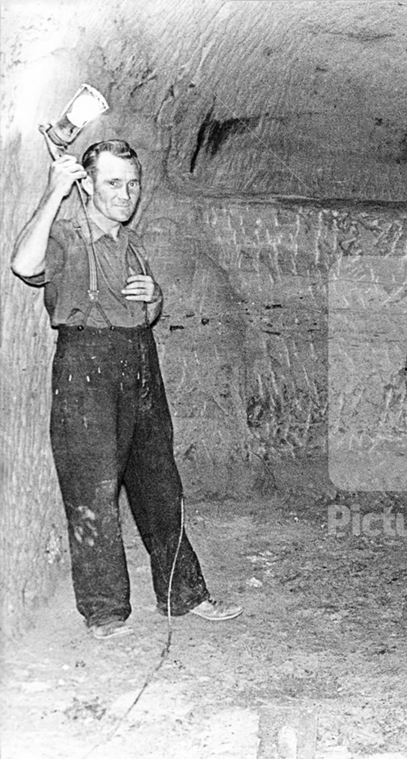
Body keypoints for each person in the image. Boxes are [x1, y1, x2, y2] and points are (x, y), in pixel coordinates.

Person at [10, 139, 242, 639]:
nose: (126, 193)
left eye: (132, 183)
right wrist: (53, 192)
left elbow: (148, 311)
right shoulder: (67, 235)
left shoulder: (131, 242)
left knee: (161, 484)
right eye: (113, 183)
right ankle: (105, 609)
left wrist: (156, 297)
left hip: (140, 361)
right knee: (92, 489)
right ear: (87, 184)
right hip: (85, 366)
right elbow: (24, 266)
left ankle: (183, 594)